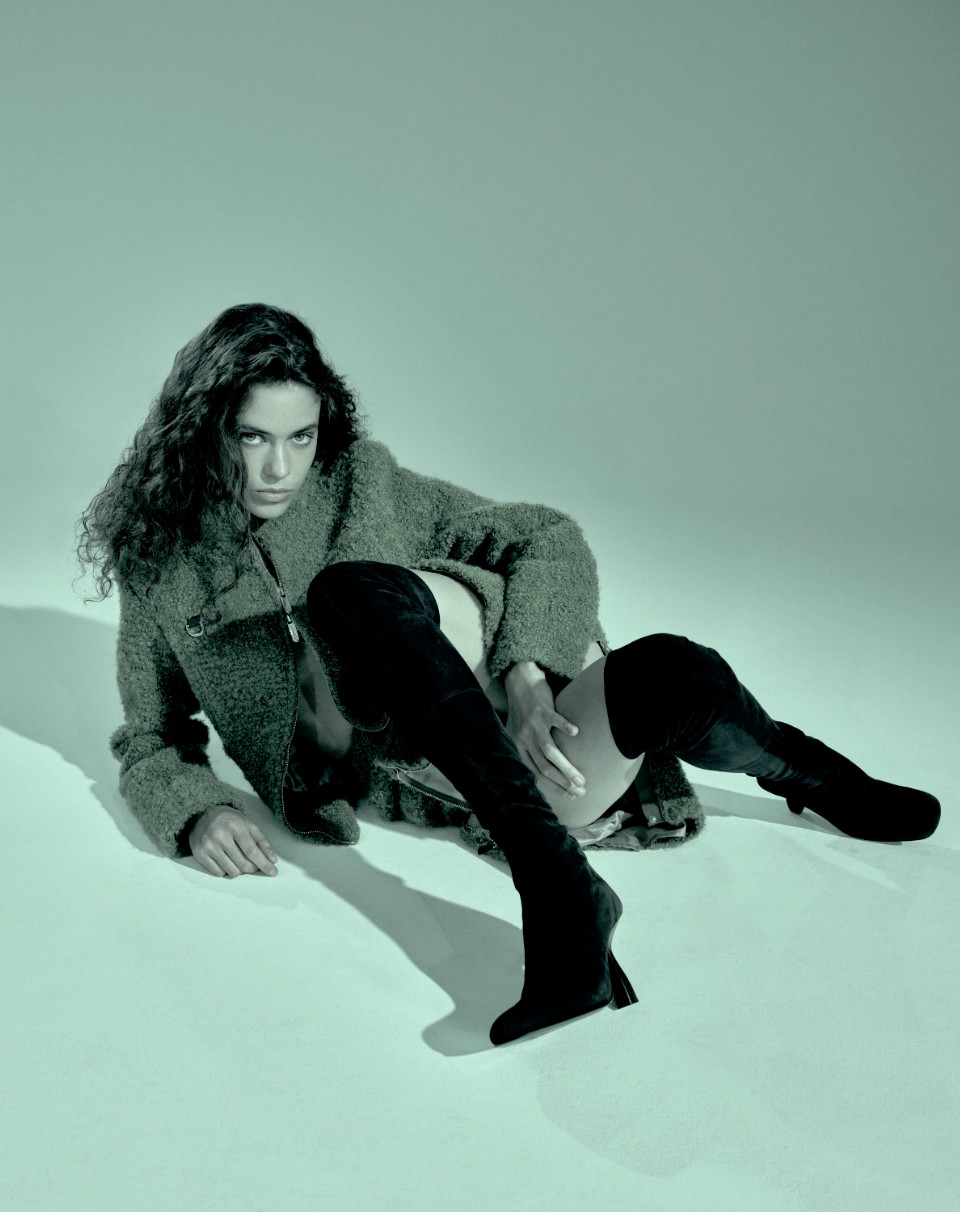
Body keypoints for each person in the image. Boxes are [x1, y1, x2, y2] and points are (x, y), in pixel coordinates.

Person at [75, 303, 941, 1046]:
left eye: (299, 437)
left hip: (523, 710)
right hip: (472, 773)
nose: (278, 469)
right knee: (662, 676)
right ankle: (571, 889)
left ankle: (807, 776)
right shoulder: (161, 565)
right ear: (206, 427)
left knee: (364, 597)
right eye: (252, 437)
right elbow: (151, 737)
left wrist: (529, 670)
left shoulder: (364, 484)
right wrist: (197, 810)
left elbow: (546, 535)